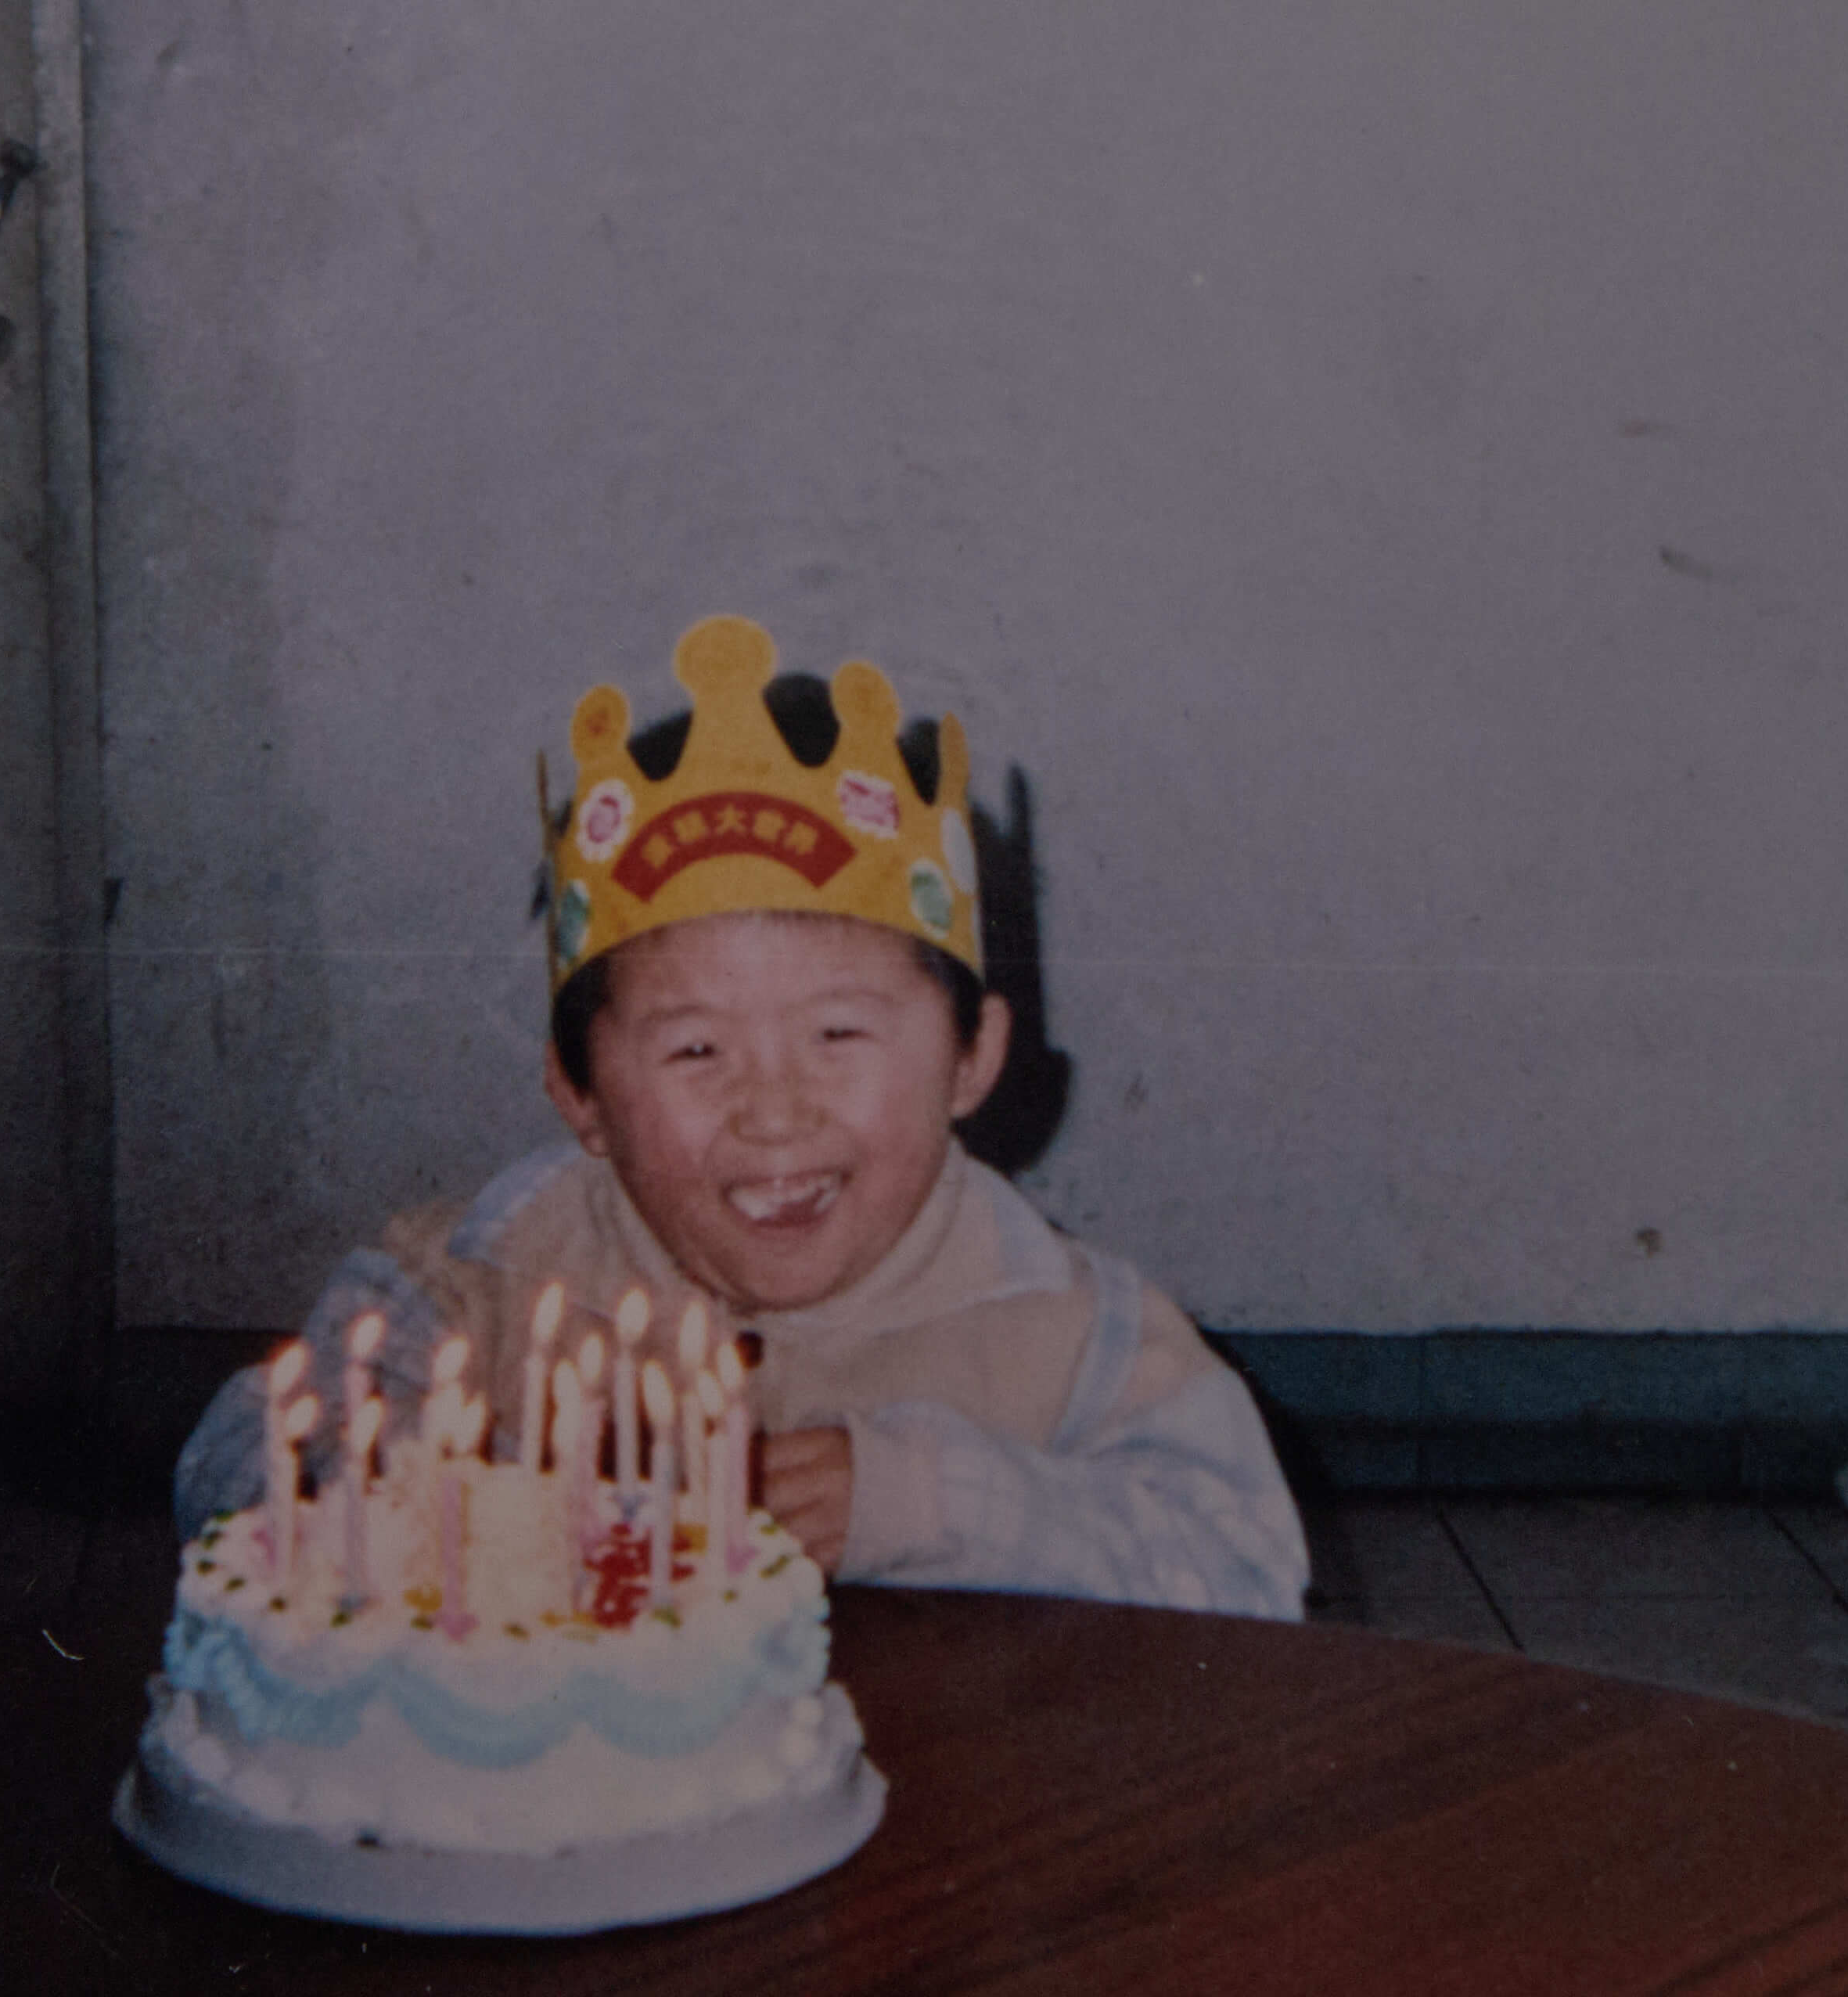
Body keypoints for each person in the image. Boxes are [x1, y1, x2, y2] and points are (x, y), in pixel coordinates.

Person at [174, 616, 1307, 1618]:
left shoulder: (1076, 1332)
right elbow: (240, 1455)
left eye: (838, 1035)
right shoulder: (482, 1276)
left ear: (973, 1057)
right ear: (578, 1094)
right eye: (696, 1049)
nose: (773, 1110)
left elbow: (1248, 1566)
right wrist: (409, 1501)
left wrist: (934, 1501)